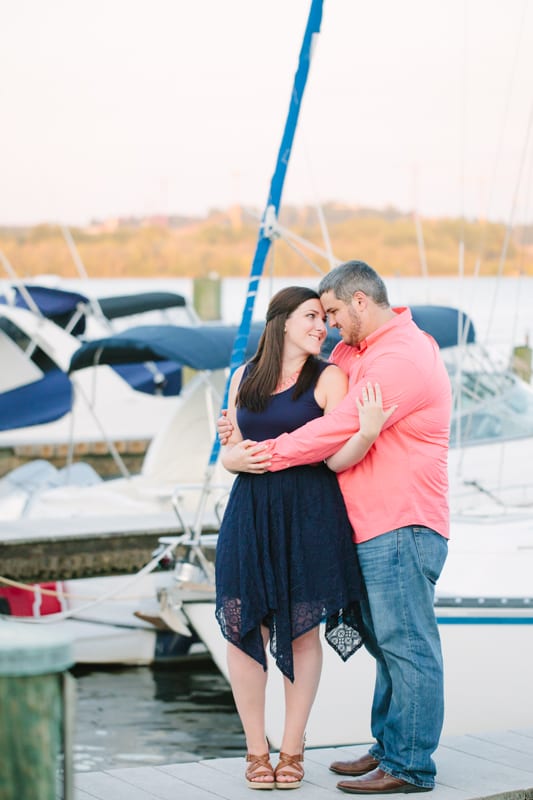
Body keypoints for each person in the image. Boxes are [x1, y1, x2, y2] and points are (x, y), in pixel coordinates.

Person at [218, 261, 452, 795]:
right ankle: (389, 747)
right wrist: (231, 446)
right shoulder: (356, 351)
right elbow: (274, 399)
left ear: (361, 304)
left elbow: (334, 431)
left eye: (332, 314)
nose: (328, 326)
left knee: (408, 644)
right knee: (384, 642)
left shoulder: (402, 359)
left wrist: (261, 455)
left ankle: (410, 764)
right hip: (360, 524)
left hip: (402, 520)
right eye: (317, 315)